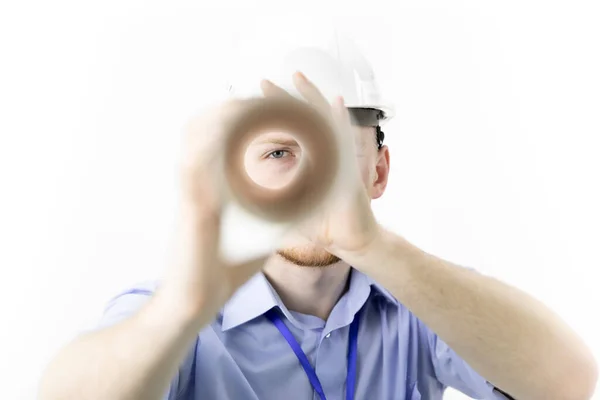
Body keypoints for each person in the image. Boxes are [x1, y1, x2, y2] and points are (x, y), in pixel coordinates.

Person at [38, 36, 598, 400]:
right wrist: (180, 310)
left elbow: (570, 382)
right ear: (240, 176)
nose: (310, 180)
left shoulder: (416, 307)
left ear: (377, 172)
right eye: (279, 152)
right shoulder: (176, 313)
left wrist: (373, 246)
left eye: (331, 149)